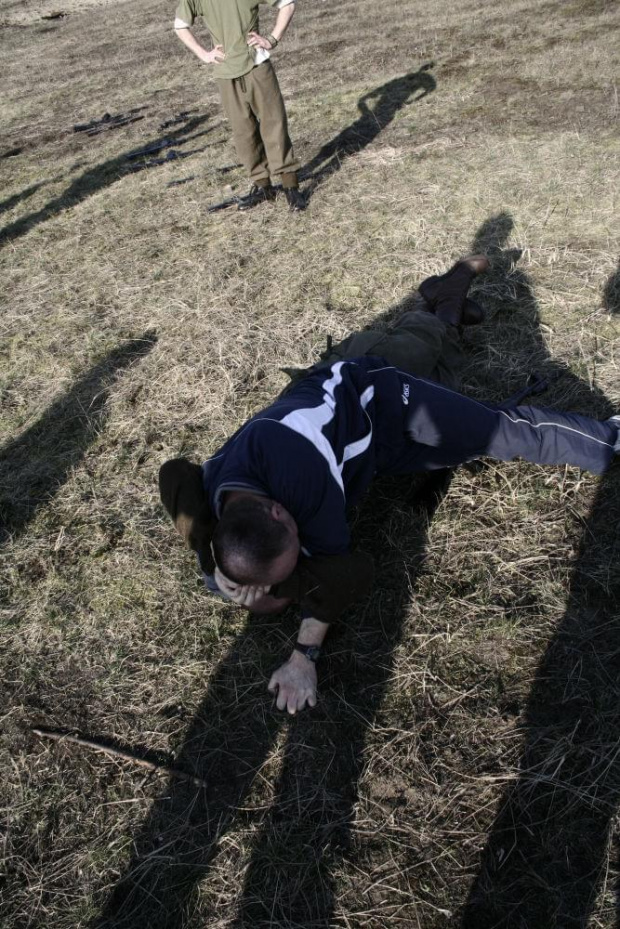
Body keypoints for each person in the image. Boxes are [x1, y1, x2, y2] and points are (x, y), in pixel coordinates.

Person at [159, 257, 620, 714]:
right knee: (449, 371)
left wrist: (303, 655)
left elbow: (345, 574)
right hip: (358, 437)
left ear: (281, 510)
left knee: (486, 420)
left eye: (296, 546)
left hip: (375, 388)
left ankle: (607, 437)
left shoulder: (306, 483)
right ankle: (449, 305)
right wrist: (221, 575)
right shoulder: (214, 505)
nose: (304, 551)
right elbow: (172, 474)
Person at [173, 0, 305, 211]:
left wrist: (272, 39)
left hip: (257, 67)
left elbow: (287, 4)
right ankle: (263, 187)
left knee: (274, 124)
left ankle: (290, 186)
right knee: (244, 133)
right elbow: (180, 25)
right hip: (225, 74)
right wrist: (204, 54)